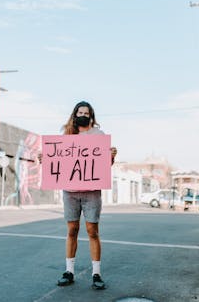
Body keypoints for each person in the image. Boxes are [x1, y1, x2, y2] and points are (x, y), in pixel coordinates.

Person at [46, 101, 117, 290]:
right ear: (75, 114)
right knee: (72, 230)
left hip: (92, 193)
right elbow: (58, 160)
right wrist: (44, 159)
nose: (83, 114)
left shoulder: (98, 136)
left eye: (86, 112)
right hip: (70, 192)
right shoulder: (67, 134)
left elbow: (103, 167)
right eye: (80, 112)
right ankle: (69, 271)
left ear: (91, 115)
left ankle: (96, 273)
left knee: (93, 231)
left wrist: (111, 156)